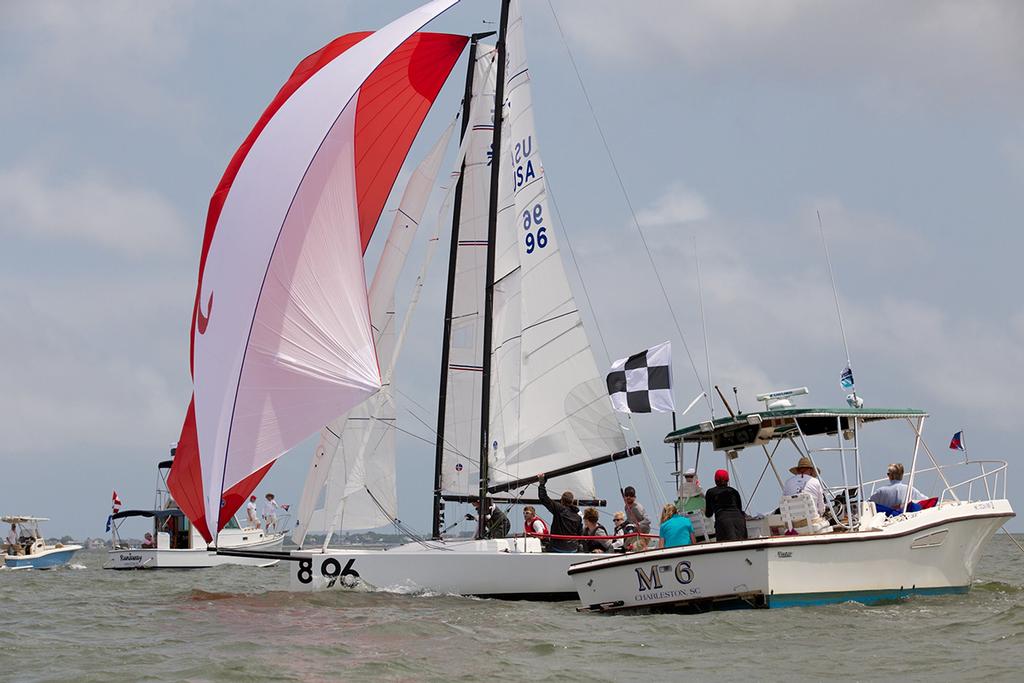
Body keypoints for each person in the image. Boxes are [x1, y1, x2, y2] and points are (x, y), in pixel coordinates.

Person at [537, 473, 583, 552]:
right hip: (573, 549)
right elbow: (580, 534)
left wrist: (542, 484)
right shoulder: (578, 517)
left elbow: (543, 498)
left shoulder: (559, 509)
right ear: (572, 501)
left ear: (561, 500)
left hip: (557, 547)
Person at [704, 469, 748, 542]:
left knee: (727, 546)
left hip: (723, 520)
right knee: (742, 544)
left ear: (715, 480)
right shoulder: (734, 491)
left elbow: (709, 514)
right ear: (728, 479)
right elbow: (739, 509)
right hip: (739, 520)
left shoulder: (710, 492)